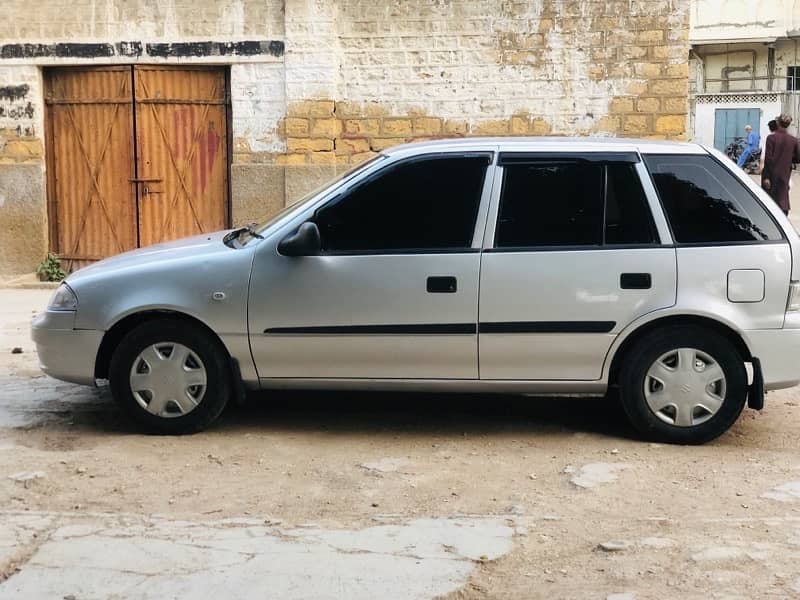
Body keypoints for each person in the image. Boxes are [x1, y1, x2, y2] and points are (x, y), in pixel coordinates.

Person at [762, 114, 800, 215]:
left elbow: (768, 159)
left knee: (769, 202)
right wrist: (788, 159)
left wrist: (766, 177)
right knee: (783, 199)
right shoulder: (793, 140)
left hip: (771, 176)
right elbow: (798, 158)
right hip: (784, 175)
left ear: (778, 123)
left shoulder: (771, 138)